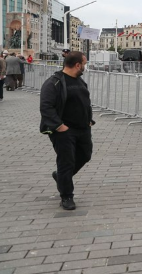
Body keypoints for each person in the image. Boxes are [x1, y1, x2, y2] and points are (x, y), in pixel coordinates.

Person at [39, 51, 95, 211]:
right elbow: (46, 107)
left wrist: (89, 120)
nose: (85, 66)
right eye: (84, 63)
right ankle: (67, 196)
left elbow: (85, 102)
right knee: (66, 162)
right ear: (77, 64)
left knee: (85, 155)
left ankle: (61, 177)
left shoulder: (80, 81)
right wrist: (59, 126)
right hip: (63, 130)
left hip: (83, 128)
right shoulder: (54, 82)